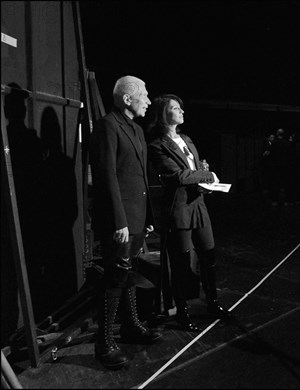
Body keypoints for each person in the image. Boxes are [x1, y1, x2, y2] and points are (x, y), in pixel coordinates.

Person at [89, 75, 162, 369]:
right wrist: (119, 221)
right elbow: (107, 177)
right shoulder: (108, 125)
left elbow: (140, 178)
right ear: (128, 98)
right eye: (143, 94)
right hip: (119, 221)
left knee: (127, 273)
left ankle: (131, 326)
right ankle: (104, 344)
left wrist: (146, 218)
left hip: (134, 218)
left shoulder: (135, 128)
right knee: (114, 277)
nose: (147, 99)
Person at [147, 94, 233, 333]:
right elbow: (177, 176)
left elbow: (193, 170)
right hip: (179, 208)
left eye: (181, 107)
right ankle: (183, 312)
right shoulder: (157, 144)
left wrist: (205, 177)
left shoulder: (186, 139)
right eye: (175, 108)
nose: (181, 111)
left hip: (198, 205)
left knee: (208, 256)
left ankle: (213, 303)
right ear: (163, 114)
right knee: (182, 262)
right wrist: (207, 176)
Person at [268, 128, 292, 205]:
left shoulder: (273, 143)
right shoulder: (287, 143)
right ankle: (286, 201)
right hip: (286, 166)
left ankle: (275, 200)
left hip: (275, 166)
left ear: (277, 134)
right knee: (286, 184)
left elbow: (271, 156)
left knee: (275, 184)